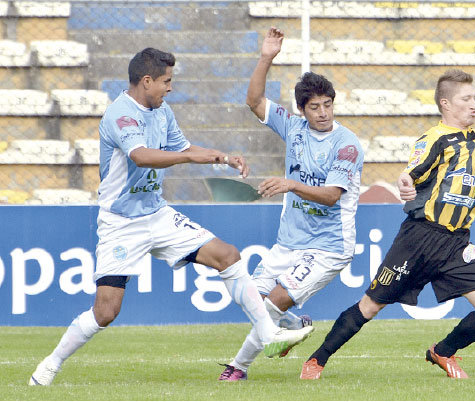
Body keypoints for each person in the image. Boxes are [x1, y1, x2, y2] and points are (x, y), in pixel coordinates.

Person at [28, 47, 314, 386]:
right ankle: (51, 364)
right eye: (166, 81)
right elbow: (142, 157)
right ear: (146, 81)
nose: (170, 88)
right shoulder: (120, 114)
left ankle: (267, 334)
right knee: (106, 311)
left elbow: (185, 149)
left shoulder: (162, 112)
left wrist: (220, 157)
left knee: (227, 255)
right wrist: (187, 160)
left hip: (157, 214)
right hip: (122, 223)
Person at [300, 69, 475, 380]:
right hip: (419, 237)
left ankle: (442, 352)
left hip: (456, 243)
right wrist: (404, 183)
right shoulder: (435, 139)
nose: (474, 104)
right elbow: (410, 173)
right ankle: (316, 360)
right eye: (466, 99)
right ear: (446, 103)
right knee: (371, 305)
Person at [218, 27, 364, 381]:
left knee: (269, 305)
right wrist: (266, 57)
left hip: (328, 246)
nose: (323, 113)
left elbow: (331, 195)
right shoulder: (294, 128)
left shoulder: (347, 144)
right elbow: (254, 101)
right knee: (250, 298)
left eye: (328, 105)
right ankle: (294, 324)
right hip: (289, 241)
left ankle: (238, 368)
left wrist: (290, 184)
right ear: (302, 109)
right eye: (315, 107)